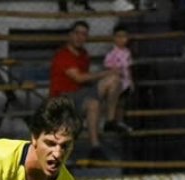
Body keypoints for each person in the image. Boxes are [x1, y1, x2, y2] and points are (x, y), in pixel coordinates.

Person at [49, 20, 129, 162]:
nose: (80, 37)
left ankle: (109, 123)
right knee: (95, 100)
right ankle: (95, 145)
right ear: (70, 35)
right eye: (77, 33)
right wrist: (105, 73)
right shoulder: (63, 55)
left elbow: (86, 81)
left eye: (84, 34)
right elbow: (79, 78)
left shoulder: (84, 54)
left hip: (81, 94)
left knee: (114, 79)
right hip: (63, 98)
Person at [103, 25, 134, 128]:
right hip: (116, 83)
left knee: (122, 104)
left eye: (124, 36)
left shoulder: (127, 52)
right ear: (114, 38)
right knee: (115, 102)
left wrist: (131, 81)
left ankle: (120, 121)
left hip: (126, 82)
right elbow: (107, 68)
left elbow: (128, 68)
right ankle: (113, 121)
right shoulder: (111, 53)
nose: (121, 39)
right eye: (118, 36)